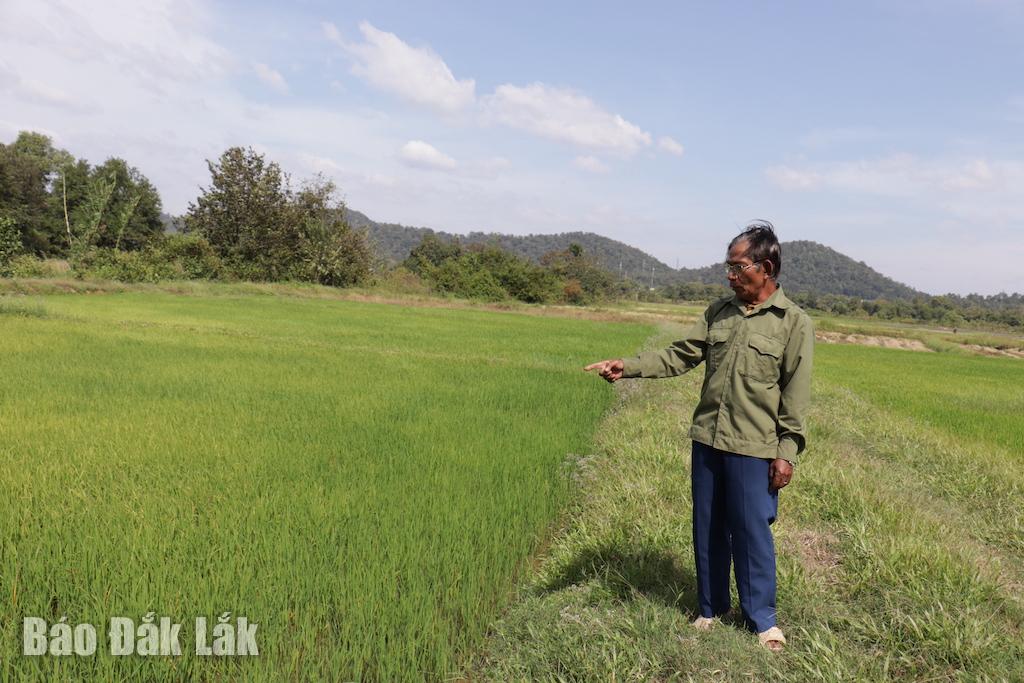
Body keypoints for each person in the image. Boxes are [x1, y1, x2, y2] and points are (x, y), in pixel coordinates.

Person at [584, 220, 813, 652]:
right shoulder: (718, 313)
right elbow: (680, 354)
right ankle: (710, 609)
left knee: (751, 532)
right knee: (707, 527)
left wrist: (788, 452)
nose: (730, 276)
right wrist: (628, 366)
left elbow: (795, 395)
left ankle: (762, 620)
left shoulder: (793, 323)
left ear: (765, 267)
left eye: (738, 267)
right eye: (727, 267)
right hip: (707, 439)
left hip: (753, 445)